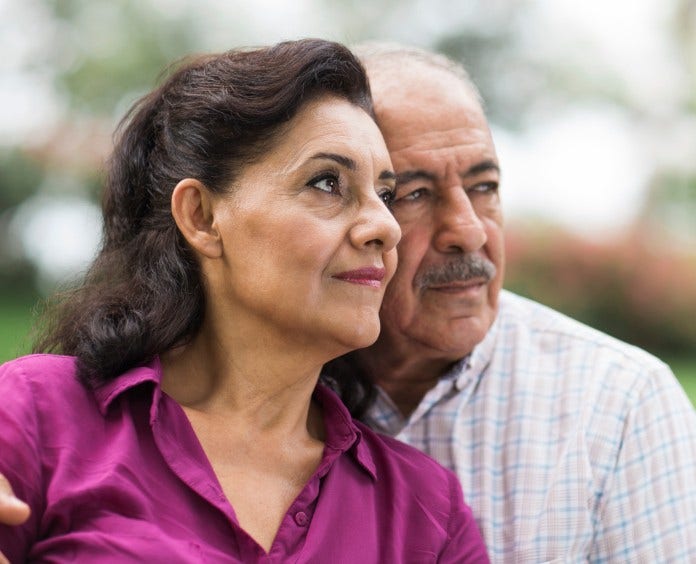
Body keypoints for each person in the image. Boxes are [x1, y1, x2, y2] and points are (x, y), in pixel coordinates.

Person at [0, 39, 490, 562]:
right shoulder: (33, 416)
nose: (386, 227)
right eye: (328, 182)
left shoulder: (427, 514)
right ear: (202, 218)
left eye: (385, 195)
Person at [326, 43, 696, 562]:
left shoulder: (619, 403)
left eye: (484, 186)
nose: (469, 231)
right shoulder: (277, 385)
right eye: (413, 194)